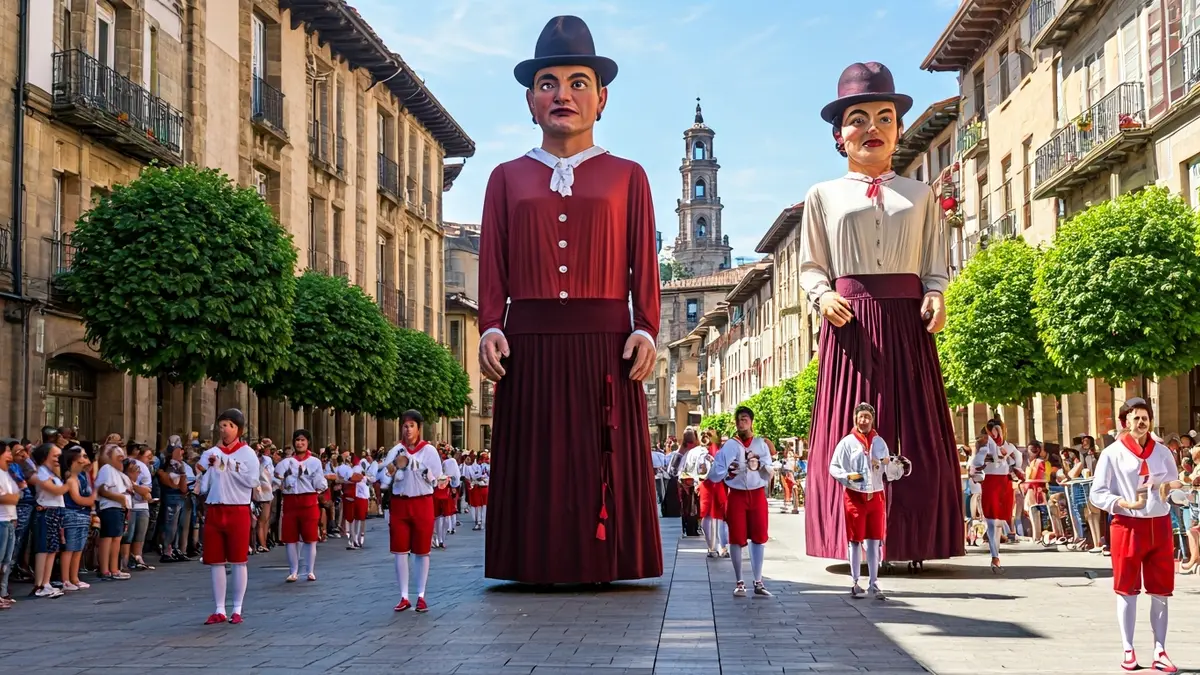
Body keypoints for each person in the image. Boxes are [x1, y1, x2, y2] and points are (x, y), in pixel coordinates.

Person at [477, 15, 661, 584]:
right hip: (527, 343)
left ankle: (604, 560)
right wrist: (489, 325)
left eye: (578, 82)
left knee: (596, 458)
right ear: (530, 101)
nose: (563, 94)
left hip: (607, 344)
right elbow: (494, 268)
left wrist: (646, 327)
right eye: (549, 83)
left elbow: (645, 267)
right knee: (537, 463)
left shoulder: (629, 176)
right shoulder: (504, 178)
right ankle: (533, 562)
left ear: (601, 98)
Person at [800, 62, 962, 564]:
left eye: (884, 117)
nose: (872, 128)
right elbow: (810, 265)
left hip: (906, 324)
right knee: (852, 426)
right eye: (859, 118)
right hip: (850, 325)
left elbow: (936, 263)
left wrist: (937, 294)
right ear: (838, 134)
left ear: (897, 129)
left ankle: (913, 538)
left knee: (914, 428)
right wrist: (821, 296)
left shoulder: (920, 194)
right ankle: (846, 537)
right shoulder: (822, 195)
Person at [1089, 398, 1181, 673]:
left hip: (1159, 525)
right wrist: (1123, 503)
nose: (1141, 423)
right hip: (1127, 525)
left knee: (1161, 591)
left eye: (1145, 418)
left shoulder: (1162, 452)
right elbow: (1097, 493)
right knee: (1127, 590)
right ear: (1125, 422)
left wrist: (1176, 491)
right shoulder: (1112, 453)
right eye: (1136, 418)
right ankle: (1128, 648)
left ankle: (1160, 650)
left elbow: (1173, 488)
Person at [829, 403, 901, 599]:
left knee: (875, 541)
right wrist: (851, 478)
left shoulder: (880, 442)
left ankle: (874, 582)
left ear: (872, 419)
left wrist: (896, 465)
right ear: (855, 418)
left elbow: (890, 471)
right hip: (854, 496)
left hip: (876, 496)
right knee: (855, 540)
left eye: (867, 417)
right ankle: (855, 581)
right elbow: (834, 467)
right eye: (861, 417)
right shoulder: (847, 442)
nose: (864, 420)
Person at [198, 408, 259, 625]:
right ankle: (219, 609)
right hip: (215, 508)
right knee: (216, 562)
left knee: (238, 561)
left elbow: (252, 481)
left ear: (238, 429)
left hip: (238, 508)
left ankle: (237, 608)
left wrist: (228, 465)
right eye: (221, 425)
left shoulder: (247, 454)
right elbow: (201, 469)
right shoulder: (212, 451)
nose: (224, 430)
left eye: (228, 426)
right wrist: (206, 466)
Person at [379, 410, 443, 613]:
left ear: (419, 428)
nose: (407, 430)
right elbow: (383, 477)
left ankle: (421, 595)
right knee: (400, 551)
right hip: (400, 503)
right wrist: (394, 466)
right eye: (405, 426)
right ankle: (404, 596)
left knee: (422, 551)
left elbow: (437, 480)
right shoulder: (396, 449)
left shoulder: (429, 451)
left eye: (411, 426)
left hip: (422, 502)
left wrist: (417, 466)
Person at [709, 407, 774, 598]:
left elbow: (770, 469)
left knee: (759, 536)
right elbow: (716, 470)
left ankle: (758, 580)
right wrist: (728, 469)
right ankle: (739, 581)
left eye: (745, 419)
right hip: (737, 495)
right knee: (737, 538)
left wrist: (760, 464)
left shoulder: (761, 444)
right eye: (738, 420)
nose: (741, 423)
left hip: (757, 494)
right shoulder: (730, 445)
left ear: (751, 422)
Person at [275, 429, 327, 582]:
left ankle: (310, 570)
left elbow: (319, 483)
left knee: (310, 537)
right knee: (290, 538)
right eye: (297, 440)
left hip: (308, 501)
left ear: (308, 442)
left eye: (303, 440)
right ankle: (293, 571)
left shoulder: (314, 462)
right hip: (291, 501)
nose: (300, 443)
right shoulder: (285, 463)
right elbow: (277, 481)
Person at [970, 420, 1018, 573]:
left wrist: (1015, 470)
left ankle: (995, 555)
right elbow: (975, 462)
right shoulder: (983, 445)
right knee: (992, 522)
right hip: (991, 482)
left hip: (1004, 484)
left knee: (998, 523)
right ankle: (995, 557)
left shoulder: (1009, 446)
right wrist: (983, 463)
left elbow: (1017, 460)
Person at [698, 430, 730, 558]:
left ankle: (718, 547)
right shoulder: (703, 452)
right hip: (710, 484)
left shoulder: (719, 452)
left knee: (717, 516)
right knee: (712, 516)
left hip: (713, 485)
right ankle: (715, 547)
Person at [676, 431, 702, 537]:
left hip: (686, 482)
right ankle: (692, 528)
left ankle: (689, 528)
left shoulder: (681, 452)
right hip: (690, 483)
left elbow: (675, 470)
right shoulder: (696, 451)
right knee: (693, 507)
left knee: (688, 507)